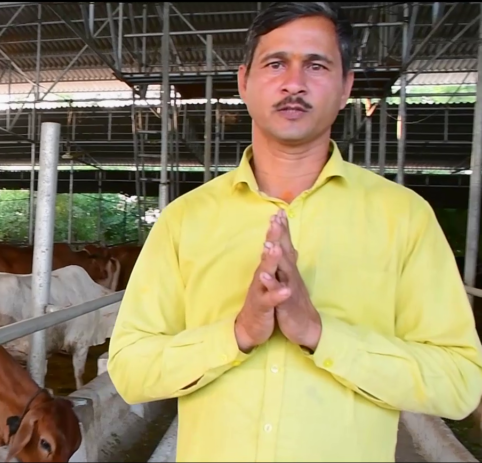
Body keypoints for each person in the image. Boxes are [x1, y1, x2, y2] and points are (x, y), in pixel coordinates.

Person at [106, 2, 482, 462]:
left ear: (346, 88)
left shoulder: (404, 218)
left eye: (317, 65)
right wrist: (239, 333)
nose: (294, 83)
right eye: (275, 63)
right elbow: (130, 369)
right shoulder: (186, 219)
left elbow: (460, 381)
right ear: (244, 82)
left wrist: (320, 333)